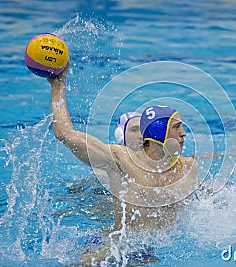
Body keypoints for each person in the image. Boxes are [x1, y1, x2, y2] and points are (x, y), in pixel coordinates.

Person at [48, 63, 198, 262]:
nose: (184, 133)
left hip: (150, 252)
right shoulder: (122, 161)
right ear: (159, 131)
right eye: (177, 127)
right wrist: (58, 86)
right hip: (115, 245)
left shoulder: (188, 168)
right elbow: (65, 134)